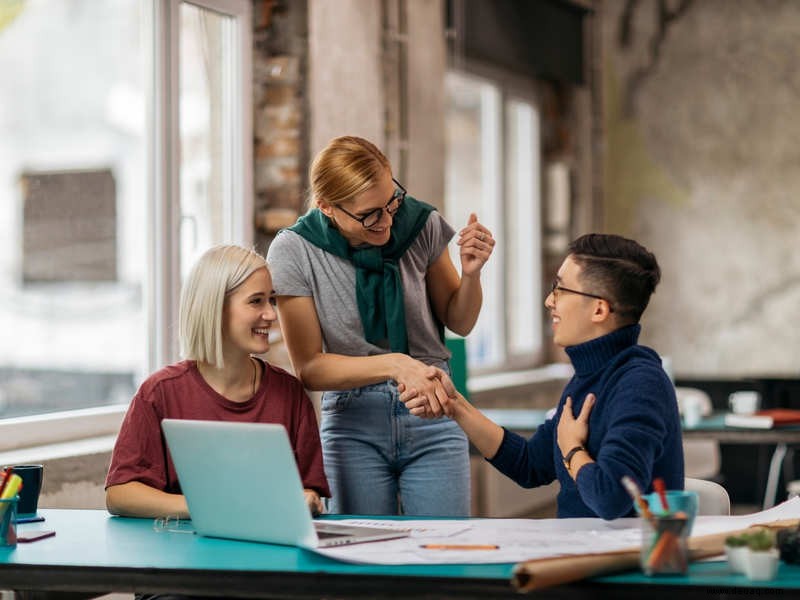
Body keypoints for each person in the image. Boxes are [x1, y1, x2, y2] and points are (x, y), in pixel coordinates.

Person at [266, 136, 495, 516]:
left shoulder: (421, 225)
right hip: (354, 423)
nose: (387, 220)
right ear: (327, 207)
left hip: (434, 409)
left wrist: (471, 275)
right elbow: (309, 367)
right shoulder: (295, 250)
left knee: (444, 556)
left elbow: (461, 321)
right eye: (370, 214)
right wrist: (395, 364)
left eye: (392, 202)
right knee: (362, 559)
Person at [402, 233, 684, 519]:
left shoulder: (640, 385)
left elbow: (611, 497)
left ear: (599, 309)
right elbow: (530, 464)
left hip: (624, 558)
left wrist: (572, 448)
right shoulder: (588, 378)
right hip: (580, 551)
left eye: (560, 289)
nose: (550, 300)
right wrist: (455, 406)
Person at [106, 245, 330, 518]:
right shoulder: (159, 392)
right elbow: (120, 494)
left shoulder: (290, 393)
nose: (272, 314)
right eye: (256, 301)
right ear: (215, 308)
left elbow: (310, 490)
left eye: (271, 300)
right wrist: (211, 508)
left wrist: (309, 498)